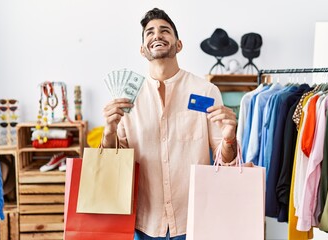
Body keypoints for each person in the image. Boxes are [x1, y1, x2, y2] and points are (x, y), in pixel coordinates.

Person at [102, 8, 238, 240]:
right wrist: (109, 132)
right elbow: (114, 166)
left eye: (165, 31)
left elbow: (226, 163)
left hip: (195, 220)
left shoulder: (205, 91)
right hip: (143, 223)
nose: (157, 35)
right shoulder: (127, 97)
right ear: (142, 49)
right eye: (149, 33)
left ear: (178, 45)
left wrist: (229, 138)